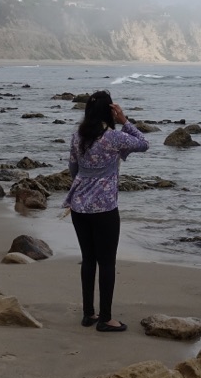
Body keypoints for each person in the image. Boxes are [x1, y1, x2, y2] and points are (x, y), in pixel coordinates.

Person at [63, 90, 148, 331]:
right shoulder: (113, 138)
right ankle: (106, 319)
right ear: (109, 111)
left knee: (88, 260)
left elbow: (73, 168)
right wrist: (125, 120)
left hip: (79, 206)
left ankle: (88, 314)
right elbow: (144, 144)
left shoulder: (77, 136)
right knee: (107, 262)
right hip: (105, 209)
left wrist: (84, 183)